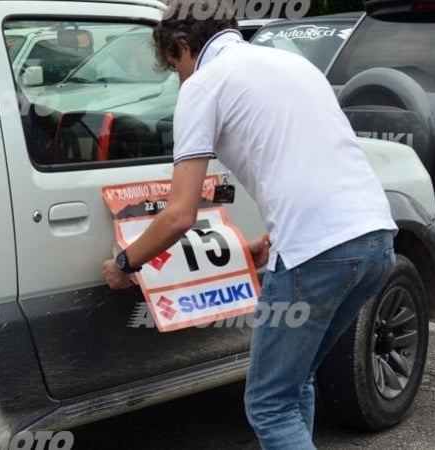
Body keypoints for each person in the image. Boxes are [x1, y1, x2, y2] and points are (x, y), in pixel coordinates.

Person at [101, 2, 398, 449]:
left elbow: (180, 213)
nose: (178, 78)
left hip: (315, 254)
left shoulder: (204, 84)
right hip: (374, 239)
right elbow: (315, 159)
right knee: (295, 384)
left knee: (268, 404)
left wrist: (126, 264)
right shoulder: (290, 64)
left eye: (173, 67)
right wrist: (276, 238)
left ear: (183, 46)